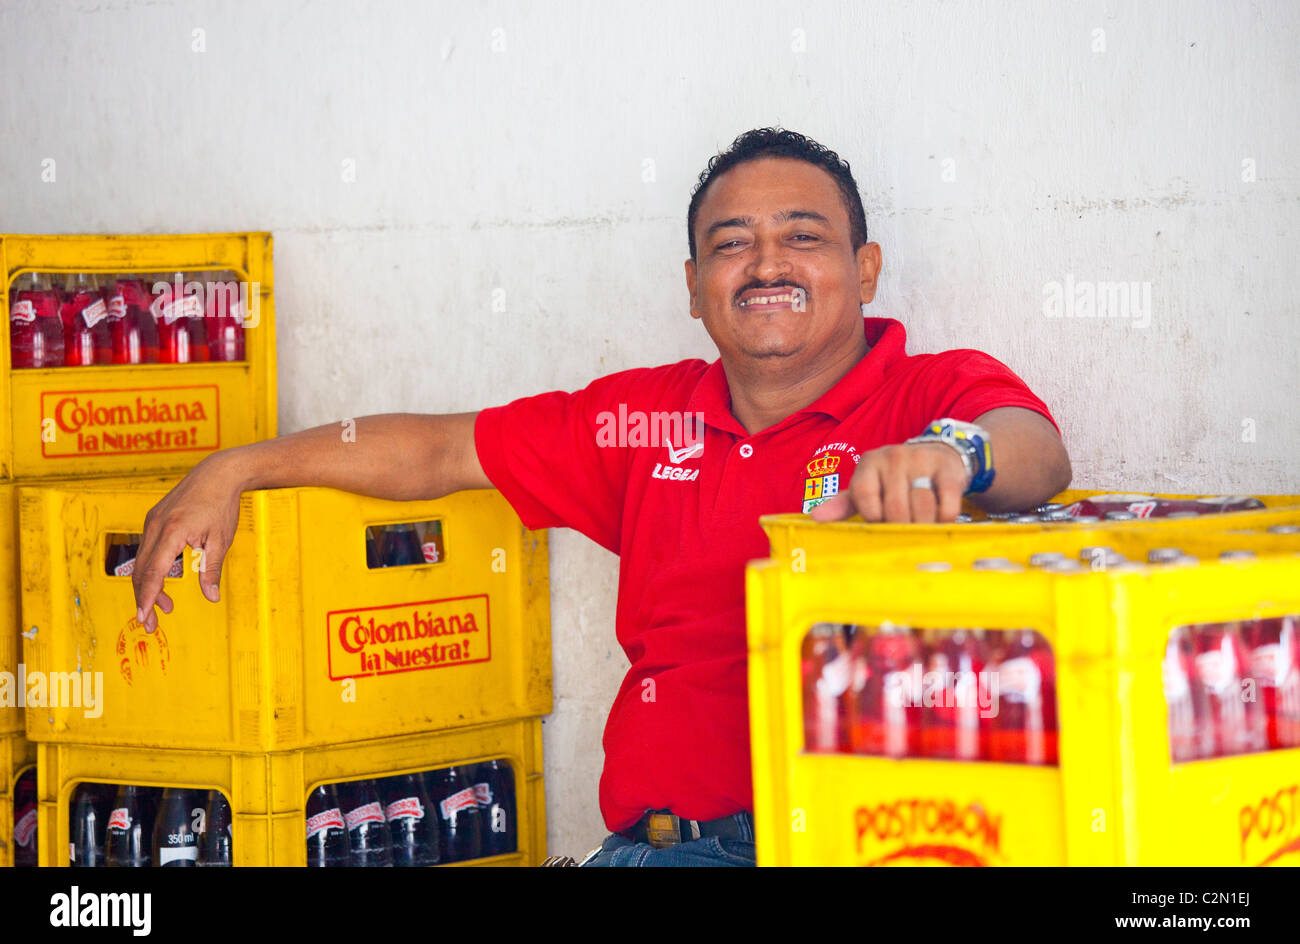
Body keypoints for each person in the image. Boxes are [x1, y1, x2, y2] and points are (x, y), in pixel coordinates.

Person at [132, 128, 1071, 867]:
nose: (767, 264)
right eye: (731, 244)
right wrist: (238, 467)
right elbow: (438, 450)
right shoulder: (647, 420)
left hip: (842, 840)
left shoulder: (931, 390)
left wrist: (953, 455)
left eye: (805, 237)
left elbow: (1037, 454)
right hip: (654, 846)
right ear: (696, 288)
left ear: (866, 268)